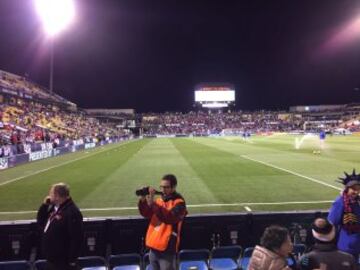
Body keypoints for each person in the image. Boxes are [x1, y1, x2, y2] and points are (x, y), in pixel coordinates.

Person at [138, 174, 187, 270]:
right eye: (161, 187)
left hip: (167, 249)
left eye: (166, 187)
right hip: (153, 246)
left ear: (174, 187)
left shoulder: (179, 203)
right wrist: (143, 200)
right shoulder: (160, 200)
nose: (163, 190)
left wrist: (153, 204)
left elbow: (169, 217)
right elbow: (146, 213)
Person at [37, 183, 83, 270]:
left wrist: (72, 260)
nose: (49, 196)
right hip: (52, 260)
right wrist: (44, 205)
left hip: (63, 262)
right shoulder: (55, 208)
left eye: (51, 193)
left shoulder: (71, 212)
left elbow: (77, 237)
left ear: (57, 196)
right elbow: (41, 222)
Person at [328, 170, 360, 262]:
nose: (356, 191)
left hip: (356, 244)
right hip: (346, 245)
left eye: (358, 189)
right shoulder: (340, 202)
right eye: (353, 189)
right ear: (347, 188)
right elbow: (332, 222)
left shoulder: (357, 201)